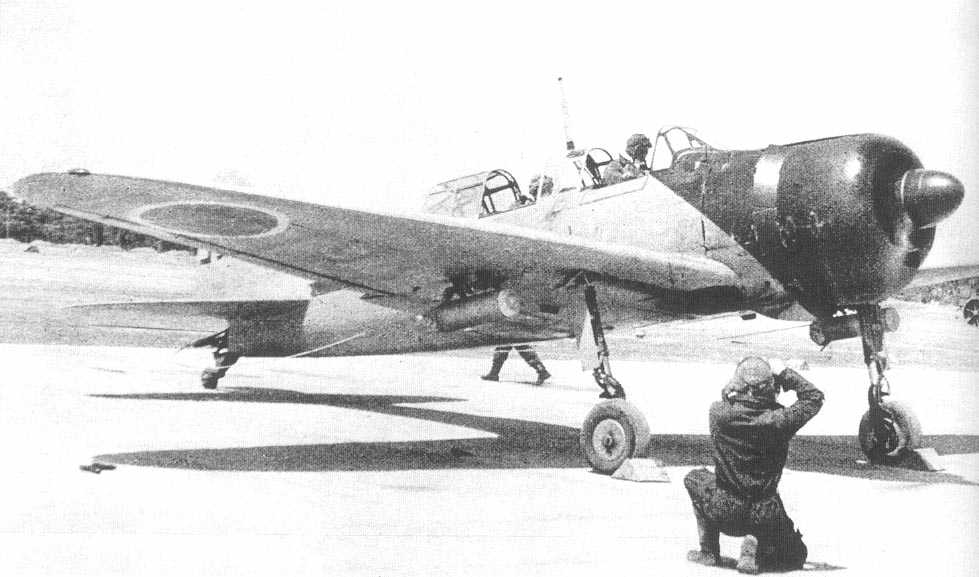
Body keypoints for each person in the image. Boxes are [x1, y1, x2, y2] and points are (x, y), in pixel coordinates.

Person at [684, 357, 824, 574]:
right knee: (795, 556)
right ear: (771, 388)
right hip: (764, 514)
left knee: (694, 478)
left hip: (725, 509)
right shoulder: (781, 420)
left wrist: (735, 385)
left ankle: (709, 551)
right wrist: (784, 373)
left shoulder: (718, 414)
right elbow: (814, 397)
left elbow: (725, 396)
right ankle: (756, 544)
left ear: (739, 386)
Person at [481, 344, 551, 386]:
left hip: (511, 328)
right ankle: (542, 370)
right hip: (517, 328)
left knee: (503, 348)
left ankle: (494, 374)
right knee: (523, 348)